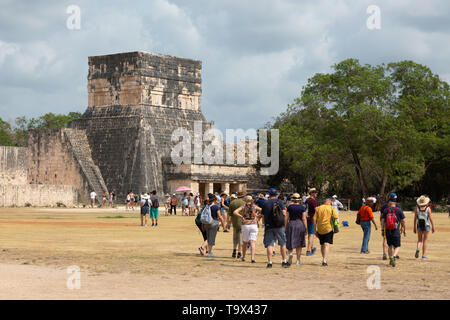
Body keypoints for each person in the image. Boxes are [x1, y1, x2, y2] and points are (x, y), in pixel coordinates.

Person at [261, 188, 290, 268]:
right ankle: (284, 261)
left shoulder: (265, 203)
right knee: (282, 243)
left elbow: (263, 215)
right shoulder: (280, 202)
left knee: (269, 244)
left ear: (269, 194)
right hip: (279, 225)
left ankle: (269, 262)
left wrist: (264, 224)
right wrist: (285, 225)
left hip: (269, 226)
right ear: (276, 194)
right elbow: (284, 214)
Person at [233, 196, 262, 263]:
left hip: (245, 225)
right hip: (253, 225)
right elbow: (263, 210)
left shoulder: (243, 206)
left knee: (245, 242)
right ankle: (252, 258)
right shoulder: (254, 206)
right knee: (252, 242)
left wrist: (241, 216)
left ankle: (243, 256)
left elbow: (235, 212)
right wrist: (257, 216)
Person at [381, 197, 406, 267]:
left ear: (390, 203)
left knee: (390, 246)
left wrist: (382, 229)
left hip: (388, 230)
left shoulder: (386, 210)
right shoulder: (399, 210)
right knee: (397, 246)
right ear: (395, 203)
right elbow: (403, 220)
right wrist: (403, 228)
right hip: (396, 230)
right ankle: (394, 257)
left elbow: (382, 221)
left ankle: (390, 258)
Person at [314, 198, 339, 266]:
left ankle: (323, 258)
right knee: (327, 244)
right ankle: (324, 260)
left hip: (320, 228)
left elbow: (314, 220)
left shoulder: (318, 208)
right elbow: (336, 217)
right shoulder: (331, 208)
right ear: (330, 202)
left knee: (322, 244)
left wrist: (315, 230)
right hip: (329, 228)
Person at [285, 193, 307, 265]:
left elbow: (286, 218)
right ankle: (298, 260)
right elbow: (304, 218)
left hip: (291, 223)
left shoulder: (289, 207)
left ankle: (290, 253)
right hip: (300, 223)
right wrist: (306, 228)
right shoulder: (302, 207)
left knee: (290, 240)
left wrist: (285, 227)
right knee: (299, 243)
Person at [379, 193, 402, 260]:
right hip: (395, 225)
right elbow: (400, 217)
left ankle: (384, 253)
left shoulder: (385, 206)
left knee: (385, 239)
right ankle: (396, 254)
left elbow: (381, 217)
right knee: (396, 241)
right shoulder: (397, 205)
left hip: (386, 225)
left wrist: (382, 227)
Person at [414, 195, 435, 260]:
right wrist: (433, 226)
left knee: (419, 240)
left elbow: (415, 219)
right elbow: (431, 218)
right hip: (426, 225)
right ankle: (423, 255)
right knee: (425, 240)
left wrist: (414, 227)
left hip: (419, 225)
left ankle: (418, 248)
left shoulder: (417, 209)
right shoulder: (428, 209)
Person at [228, 192, 245, 259]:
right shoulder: (244, 203)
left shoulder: (232, 203)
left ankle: (234, 250)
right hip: (242, 222)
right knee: (241, 238)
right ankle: (239, 252)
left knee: (235, 237)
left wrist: (228, 223)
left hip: (234, 222)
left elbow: (230, 214)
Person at [304, 188, 319, 256]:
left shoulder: (307, 200)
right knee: (311, 235)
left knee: (310, 234)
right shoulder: (313, 201)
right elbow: (317, 210)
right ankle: (308, 250)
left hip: (306, 218)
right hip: (312, 219)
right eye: (315, 192)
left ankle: (312, 248)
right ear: (312, 193)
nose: (316, 194)